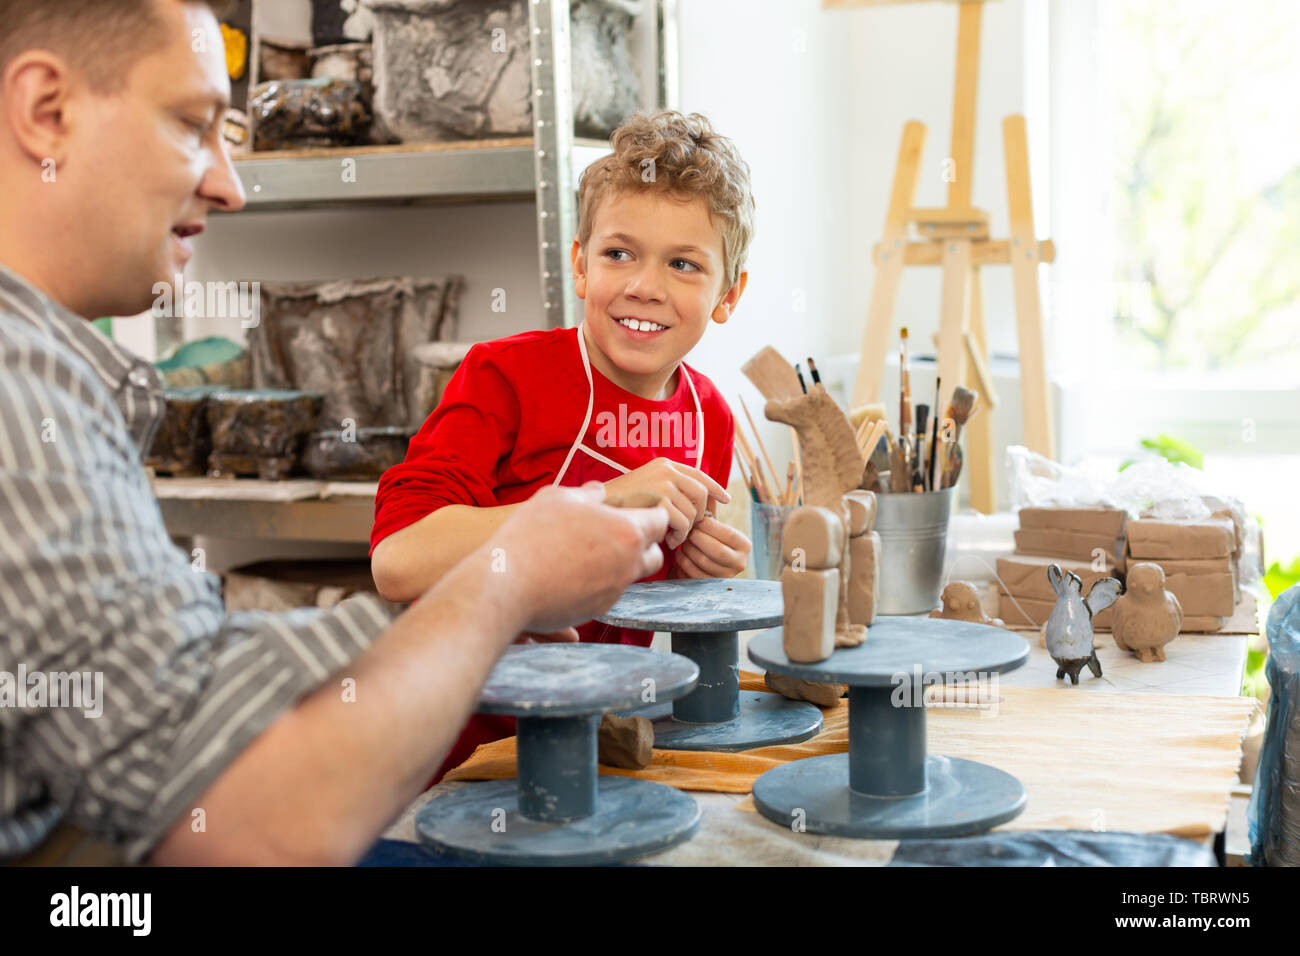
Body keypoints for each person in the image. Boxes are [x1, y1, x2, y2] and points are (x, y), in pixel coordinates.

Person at [0, 0, 668, 866]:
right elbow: (256, 825)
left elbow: (154, 694)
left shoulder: (53, 379)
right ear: (47, 110)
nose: (228, 183)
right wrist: (510, 578)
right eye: (191, 125)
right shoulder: (20, 392)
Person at [370, 109, 757, 780]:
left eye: (684, 264)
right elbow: (399, 561)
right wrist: (600, 500)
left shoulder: (710, 418)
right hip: (451, 755)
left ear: (728, 295)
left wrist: (695, 576)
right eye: (619, 253)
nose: (645, 286)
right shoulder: (503, 378)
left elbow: (633, 600)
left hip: (596, 752)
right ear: (580, 265)